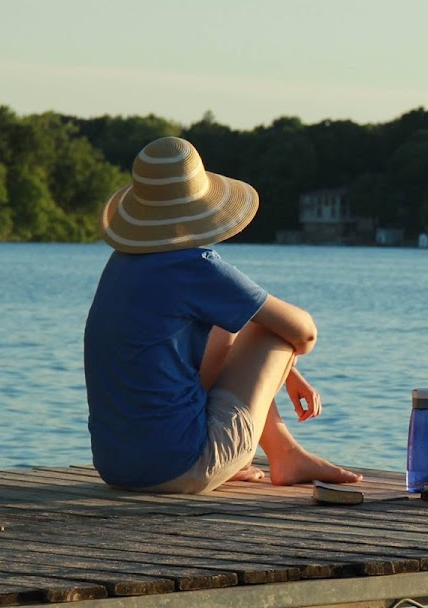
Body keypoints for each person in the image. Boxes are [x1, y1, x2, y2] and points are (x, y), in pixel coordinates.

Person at [83, 136, 361, 494]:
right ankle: (281, 456)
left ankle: (283, 455)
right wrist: (284, 358)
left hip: (117, 467)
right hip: (179, 466)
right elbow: (304, 333)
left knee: (228, 323)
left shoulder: (123, 265)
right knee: (271, 330)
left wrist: (286, 370)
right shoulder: (194, 267)